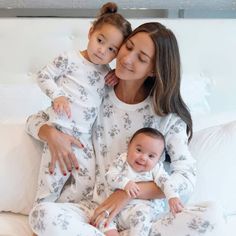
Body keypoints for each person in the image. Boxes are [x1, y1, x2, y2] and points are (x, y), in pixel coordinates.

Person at [26, 21, 223, 236]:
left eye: (142, 58)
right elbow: (35, 121)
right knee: (41, 215)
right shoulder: (97, 89)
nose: (127, 59)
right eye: (128, 47)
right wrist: (53, 135)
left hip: (142, 214)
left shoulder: (167, 117)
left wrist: (126, 194)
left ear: (154, 70)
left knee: (211, 217)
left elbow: (185, 177)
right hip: (93, 210)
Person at [32, 2, 132, 204]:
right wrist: (57, 95)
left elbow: (108, 102)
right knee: (50, 181)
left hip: (84, 139)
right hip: (61, 129)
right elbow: (43, 75)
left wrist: (117, 79)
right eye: (100, 40)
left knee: (86, 185)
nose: (103, 51)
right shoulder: (69, 59)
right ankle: (40, 215)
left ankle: (58, 210)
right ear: (91, 32)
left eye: (112, 49)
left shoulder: (106, 74)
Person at [99, 127, 183, 236]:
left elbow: (165, 181)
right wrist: (125, 183)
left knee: (141, 218)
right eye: (139, 150)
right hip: (116, 211)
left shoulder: (156, 169)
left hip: (140, 209)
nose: (143, 157)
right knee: (102, 220)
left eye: (151, 156)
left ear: (158, 159)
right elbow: (110, 176)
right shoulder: (122, 160)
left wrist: (172, 196)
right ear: (129, 146)